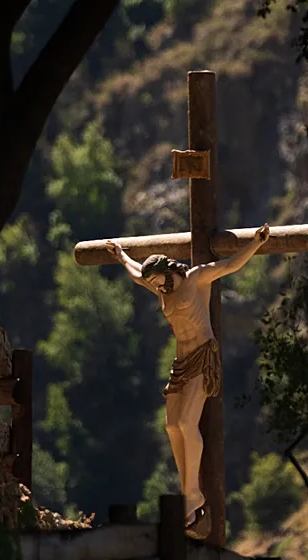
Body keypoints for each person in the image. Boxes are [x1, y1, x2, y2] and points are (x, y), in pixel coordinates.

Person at [106, 224, 271, 539]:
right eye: (153, 284)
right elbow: (137, 274)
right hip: (181, 363)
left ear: (168, 271)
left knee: (185, 422)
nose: (156, 287)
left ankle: (193, 495)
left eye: (158, 281)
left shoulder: (196, 279)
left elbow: (229, 265)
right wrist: (121, 255)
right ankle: (189, 496)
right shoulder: (161, 288)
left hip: (202, 356)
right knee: (171, 426)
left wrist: (255, 243)